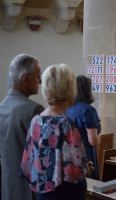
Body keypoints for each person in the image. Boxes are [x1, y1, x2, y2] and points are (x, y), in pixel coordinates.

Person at [19, 64, 94, 200]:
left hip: (43, 193)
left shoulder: (36, 120)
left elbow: (28, 164)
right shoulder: (65, 123)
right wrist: (86, 168)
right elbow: (74, 172)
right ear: (70, 90)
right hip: (66, 193)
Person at [0, 54, 44, 200]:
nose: (40, 81)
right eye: (38, 76)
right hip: (29, 192)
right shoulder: (33, 110)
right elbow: (43, 157)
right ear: (25, 79)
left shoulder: (1, 107)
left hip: (7, 189)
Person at [66, 75, 101, 180]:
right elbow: (93, 141)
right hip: (86, 155)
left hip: (71, 154)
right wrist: (99, 138)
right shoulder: (87, 110)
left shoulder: (68, 109)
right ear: (87, 90)